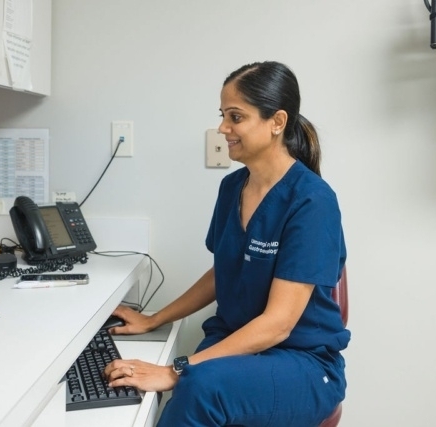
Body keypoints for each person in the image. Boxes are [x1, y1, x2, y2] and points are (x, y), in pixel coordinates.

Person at [103, 61, 350, 427]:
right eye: (223, 115)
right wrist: (153, 319)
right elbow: (224, 271)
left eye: (235, 117)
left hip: (302, 361)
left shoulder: (312, 201)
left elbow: (279, 325)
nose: (222, 128)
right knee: (187, 386)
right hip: (236, 340)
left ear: (277, 122)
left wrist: (176, 369)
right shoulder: (232, 188)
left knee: (198, 386)